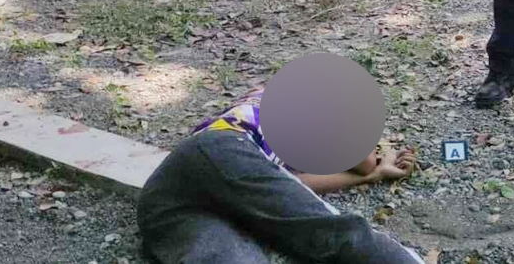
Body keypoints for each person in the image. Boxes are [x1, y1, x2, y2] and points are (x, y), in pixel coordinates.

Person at [137, 87, 425, 264]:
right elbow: (362, 160)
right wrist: (377, 161)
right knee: (336, 232)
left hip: (167, 204)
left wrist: (369, 178)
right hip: (220, 149)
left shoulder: (267, 145)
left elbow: (291, 191)